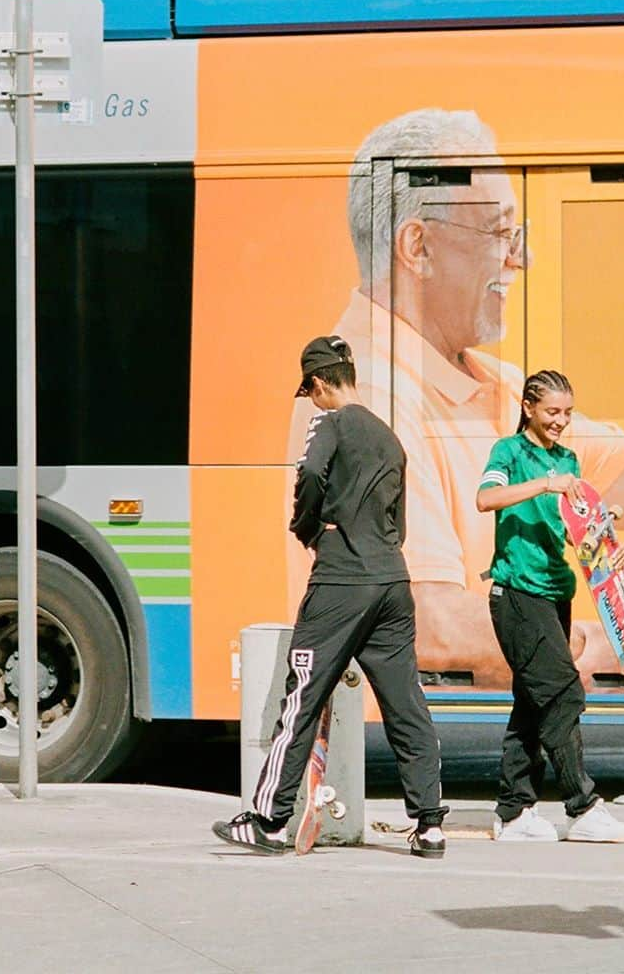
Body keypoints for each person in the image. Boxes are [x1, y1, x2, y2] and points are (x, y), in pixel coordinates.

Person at [287, 107, 624, 690]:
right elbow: (430, 623)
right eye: (499, 232)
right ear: (418, 247)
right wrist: (618, 648)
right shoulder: (370, 398)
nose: (522, 257)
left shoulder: (493, 382)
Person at [214, 336, 447, 857]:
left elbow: (310, 475)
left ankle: (269, 820)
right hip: (392, 580)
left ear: (319, 383)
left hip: (341, 581)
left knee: (301, 695)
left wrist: (307, 527)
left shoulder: (330, 422)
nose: (312, 402)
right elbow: (398, 521)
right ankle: (430, 824)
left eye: (311, 392)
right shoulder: (390, 437)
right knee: (404, 701)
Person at [476, 369, 624, 842]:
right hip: (518, 594)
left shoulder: (568, 460)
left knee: (532, 701)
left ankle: (513, 811)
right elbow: (486, 498)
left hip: (555, 592)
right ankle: (582, 806)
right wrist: (545, 484)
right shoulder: (509, 452)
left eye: (567, 412)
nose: (561, 421)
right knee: (563, 692)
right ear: (528, 408)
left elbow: (575, 532)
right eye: (552, 412)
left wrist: (606, 535)